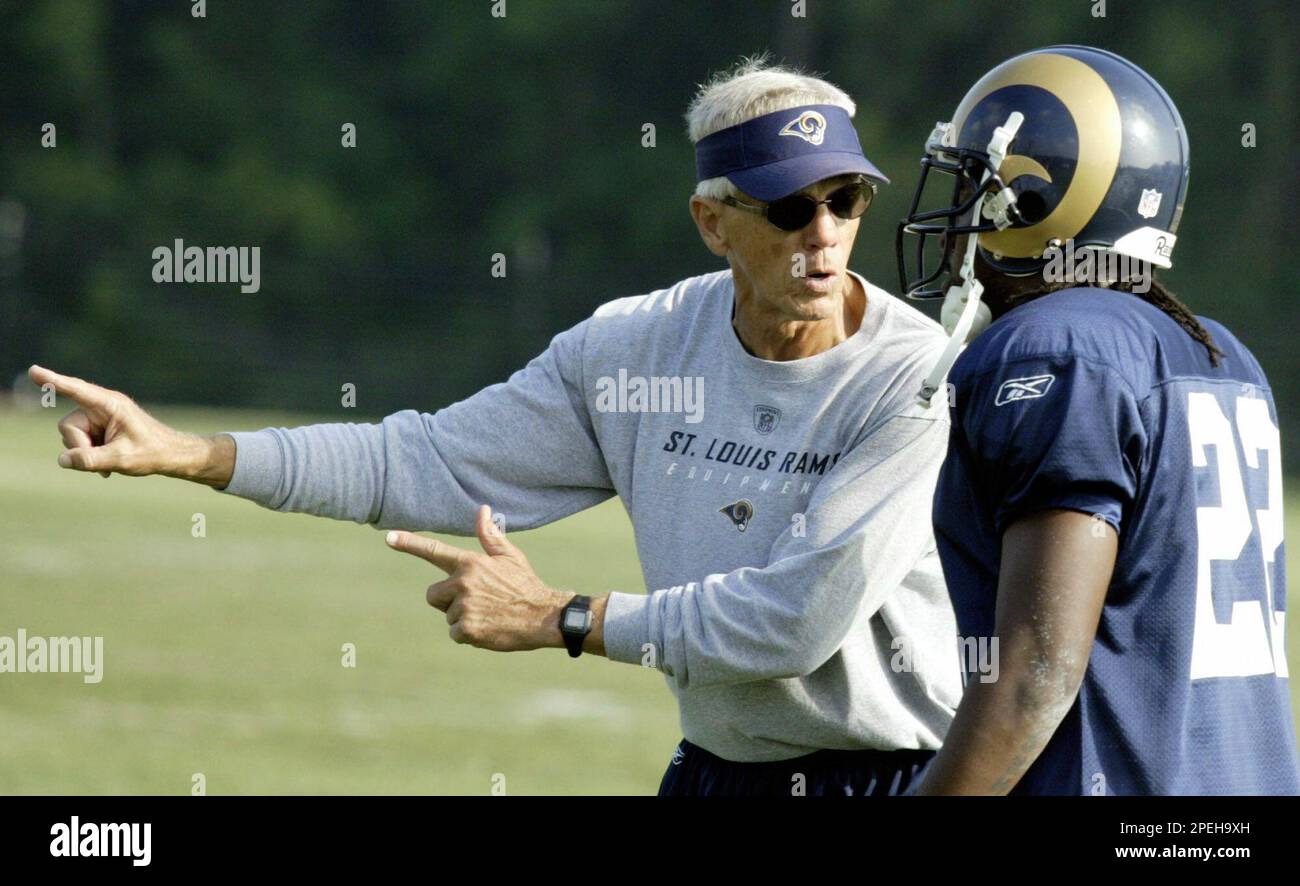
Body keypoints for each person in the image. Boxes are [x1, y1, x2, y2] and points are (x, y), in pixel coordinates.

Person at [30, 56, 960, 796]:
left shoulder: (914, 375)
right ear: (712, 224)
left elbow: (795, 624)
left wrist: (562, 616)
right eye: (793, 207)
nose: (826, 233)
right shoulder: (633, 348)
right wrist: (193, 454)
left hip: (889, 777)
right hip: (715, 772)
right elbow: (427, 459)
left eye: (847, 199)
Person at [895, 44, 1300, 794]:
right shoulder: (1221, 356)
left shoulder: (1056, 350)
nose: (954, 223)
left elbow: (1034, 676)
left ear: (1032, 203)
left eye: (975, 188)